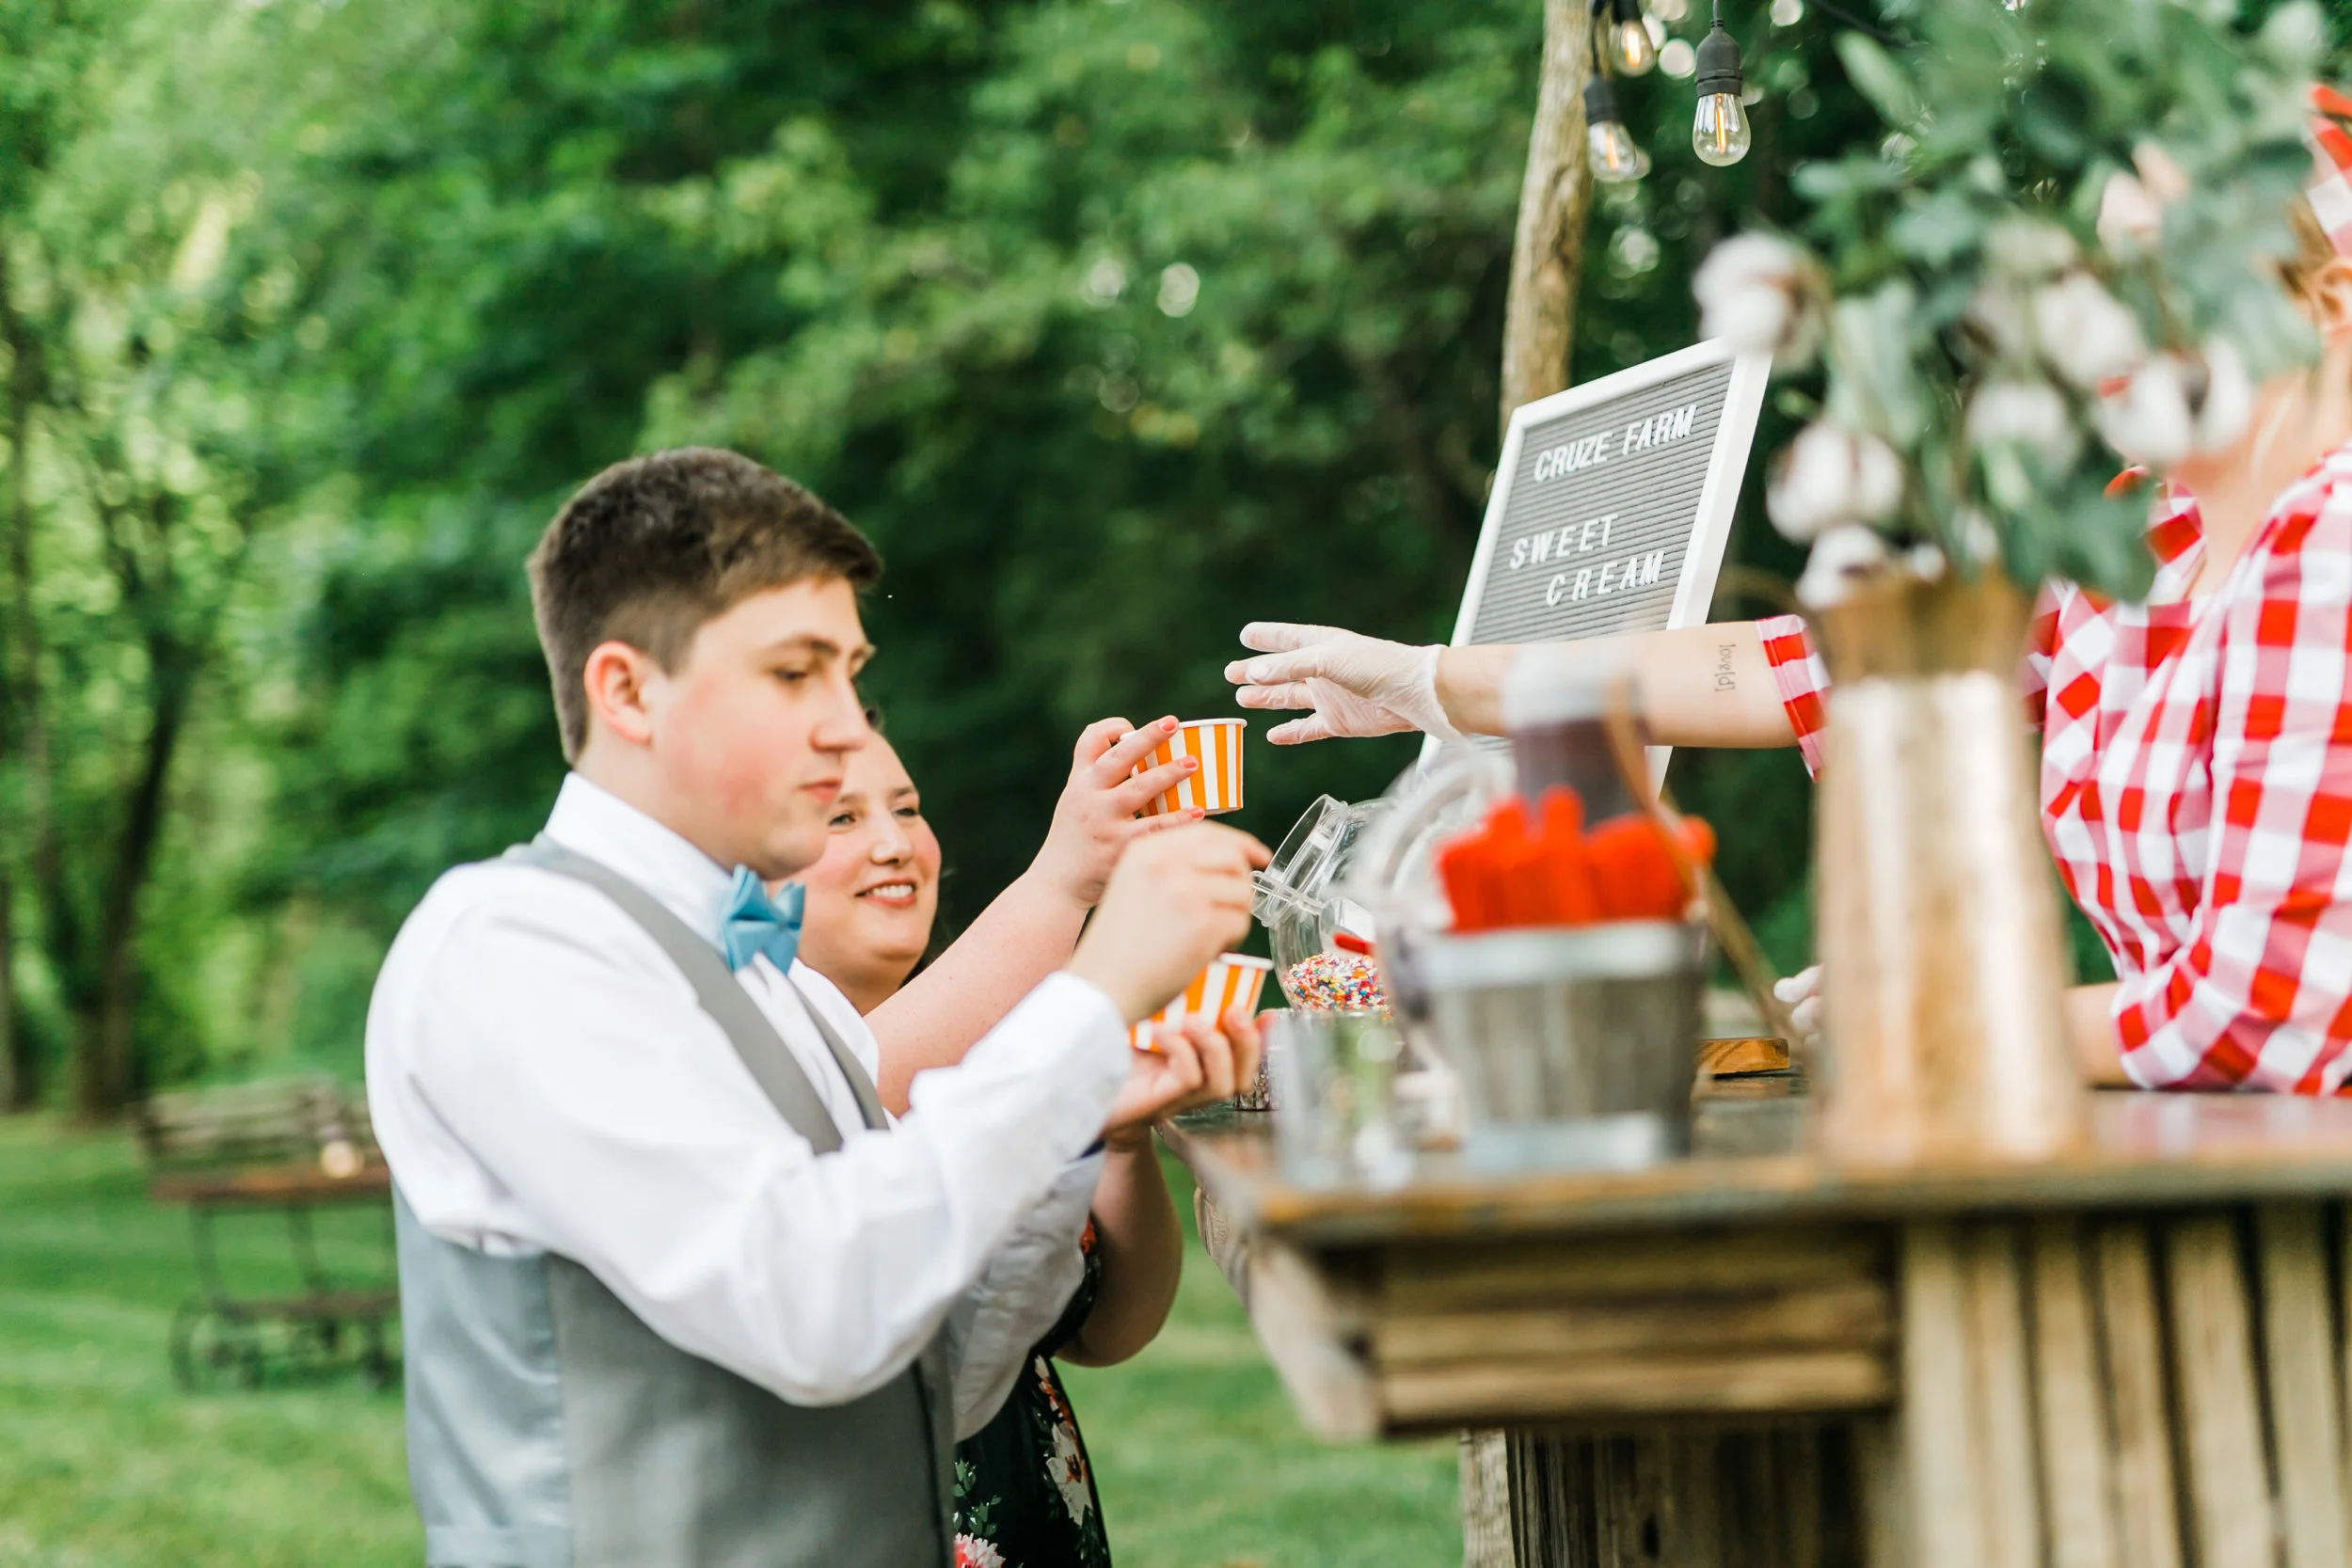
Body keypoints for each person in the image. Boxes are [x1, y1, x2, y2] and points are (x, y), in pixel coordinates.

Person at [1227, 117, 2352, 1096]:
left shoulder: (2329, 538)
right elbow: (1807, 666)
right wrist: (1430, 679)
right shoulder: (2133, 544)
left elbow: (2262, 1015)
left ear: (2327, 301)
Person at [366, 447, 1266, 1568]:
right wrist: (1090, 998)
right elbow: (811, 1300)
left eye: (849, 671)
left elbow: (936, 1375)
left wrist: (1084, 1116)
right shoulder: (511, 947)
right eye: (795, 673)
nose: (847, 725)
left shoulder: (774, 982)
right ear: (627, 691)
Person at [796, 723, 1191, 1568]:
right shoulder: (757, 1067)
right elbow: (846, 1090)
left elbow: (1105, 1333)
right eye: (841, 818)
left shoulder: (1008, 1054)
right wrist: (1064, 884)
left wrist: (1123, 1143)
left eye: (907, 808)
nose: (894, 842)